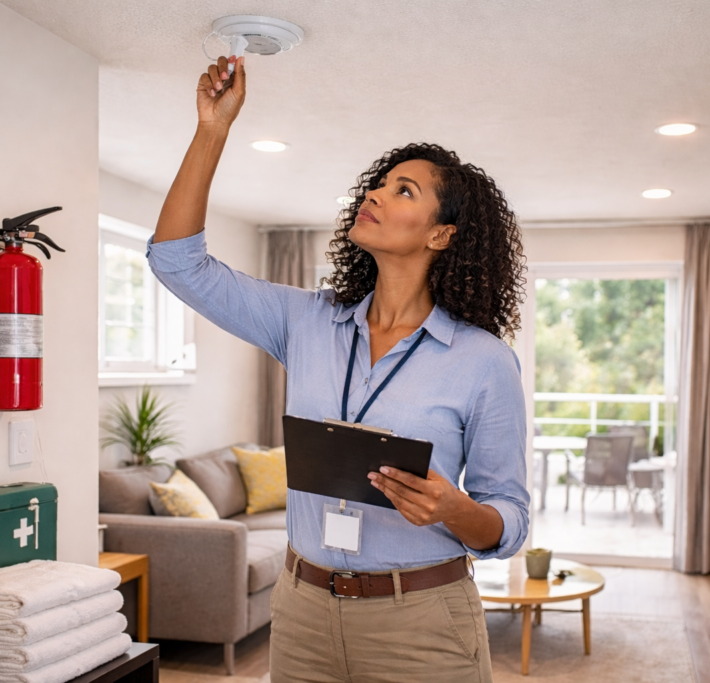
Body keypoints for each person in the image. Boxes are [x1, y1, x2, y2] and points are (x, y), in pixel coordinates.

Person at [149, 54, 530, 683]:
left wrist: (451, 508)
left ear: (442, 236)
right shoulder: (307, 321)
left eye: (403, 190)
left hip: (423, 624)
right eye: (379, 183)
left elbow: (508, 520)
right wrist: (212, 131)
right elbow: (175, 263)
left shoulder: (484, 362)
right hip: (301, 615)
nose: (375, 193)